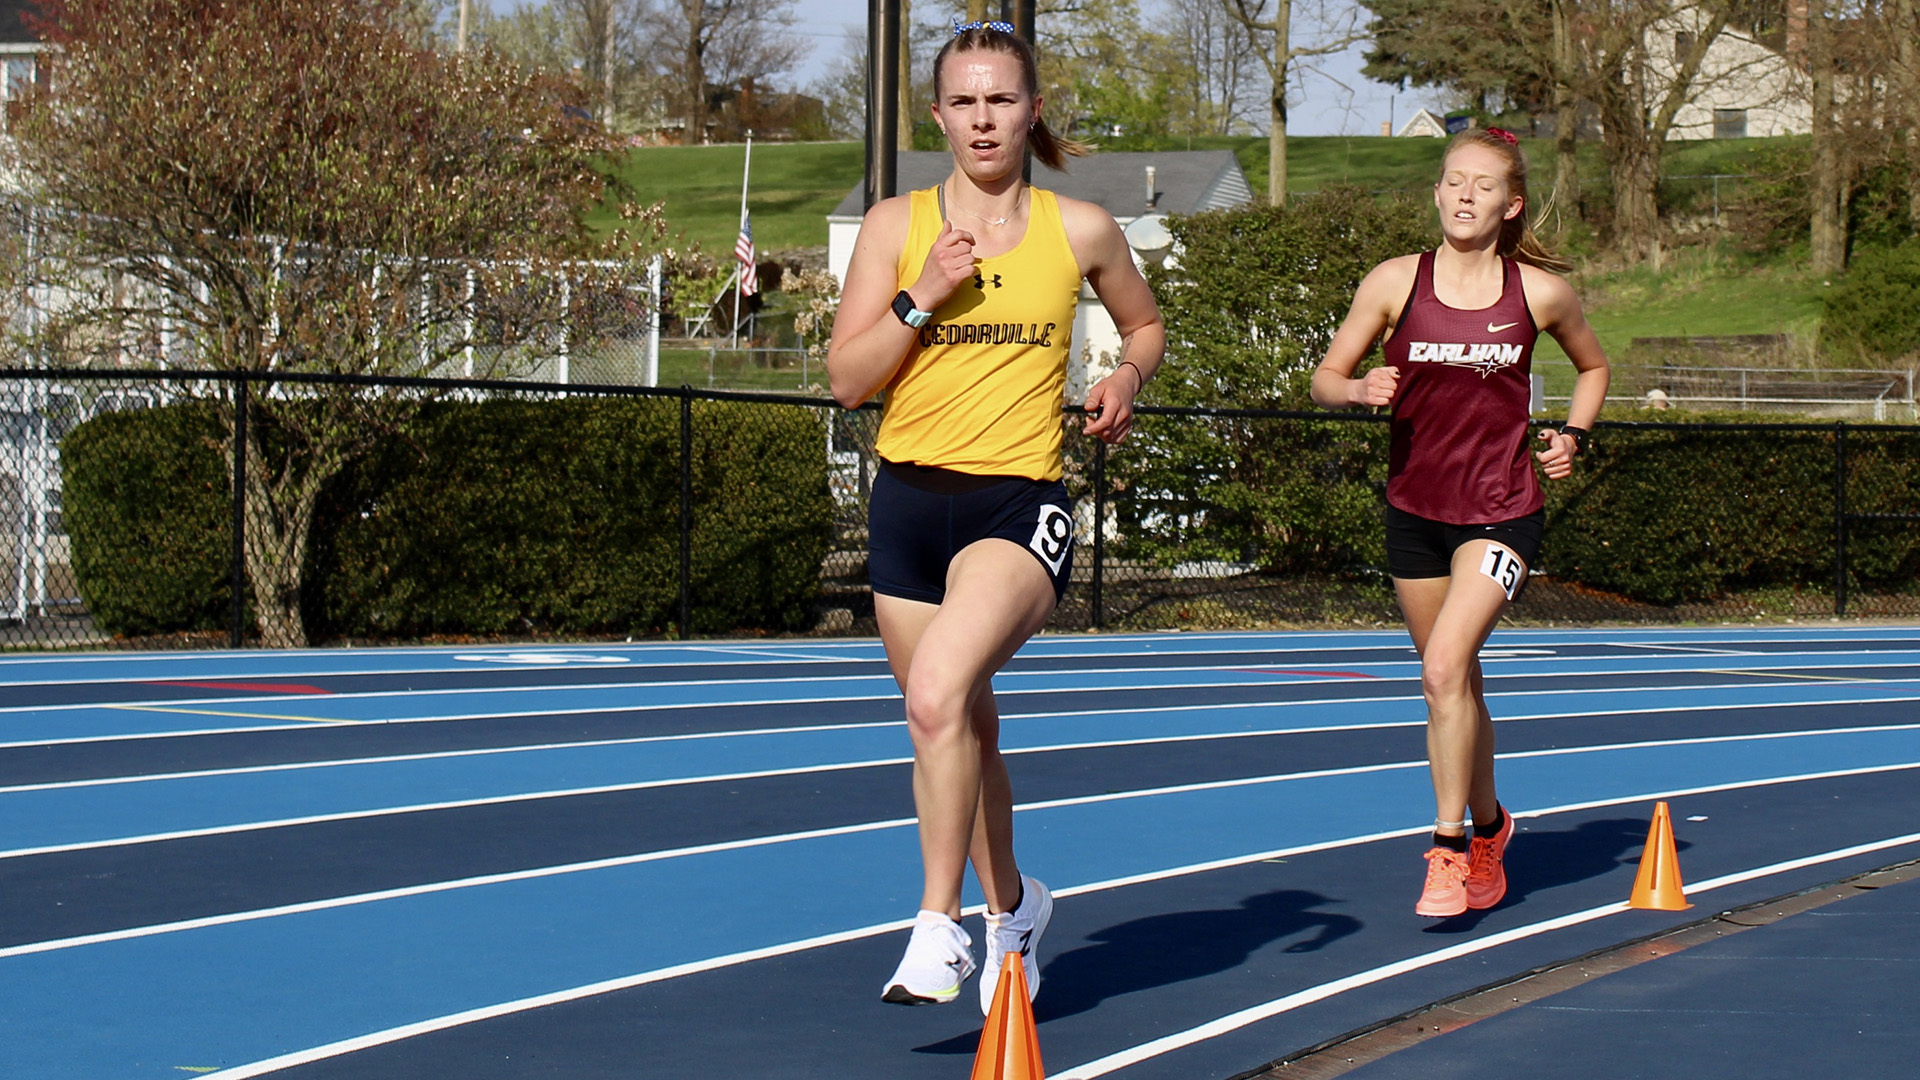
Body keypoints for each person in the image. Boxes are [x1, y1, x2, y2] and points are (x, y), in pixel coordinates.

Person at [826, 20, 1165, 1012]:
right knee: (957, 721)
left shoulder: (1084, 229)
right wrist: (922, 295)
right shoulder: (897, 226)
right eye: (965, 101)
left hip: (1017, 506)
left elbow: (1144, 322)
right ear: (939, 115)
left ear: (1032, 111)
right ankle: (1013, 906)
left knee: (935, 693)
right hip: (907, 507)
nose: (983, 118)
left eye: (1001, 99)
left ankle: (938, 927)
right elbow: (848, 380)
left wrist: (1128, 376)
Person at [1310, 127, 1609, 918]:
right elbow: (1323, 378)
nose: (1465, 195)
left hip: (1503, 510)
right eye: (1453, 181)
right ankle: (1489, 826)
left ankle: (1445, 850)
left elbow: (1594, 365)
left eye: (1483, 185)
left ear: (1510, 206)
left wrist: (1572, 435)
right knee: (1459, 684)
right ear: (1438, 193)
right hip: (1415, 511)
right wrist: (1357, 391)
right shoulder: (1395, 281)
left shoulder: (1537, 293)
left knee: (1443, 670)